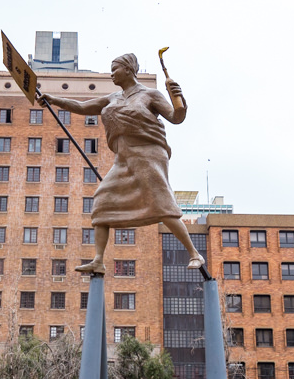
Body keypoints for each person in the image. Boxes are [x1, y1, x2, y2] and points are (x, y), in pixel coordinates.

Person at [38, 53, 205, 275]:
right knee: (102, 202)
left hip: (148, 154)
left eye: (114, 69)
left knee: (162, 204)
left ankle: (194, 253)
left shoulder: (150, 95)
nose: (111, 74)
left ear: (128, 70)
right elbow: (82, 106)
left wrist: (179, 99)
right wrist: (55, 100)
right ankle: (98, 260)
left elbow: (176, 117)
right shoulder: (112, 98)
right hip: (123, 157)